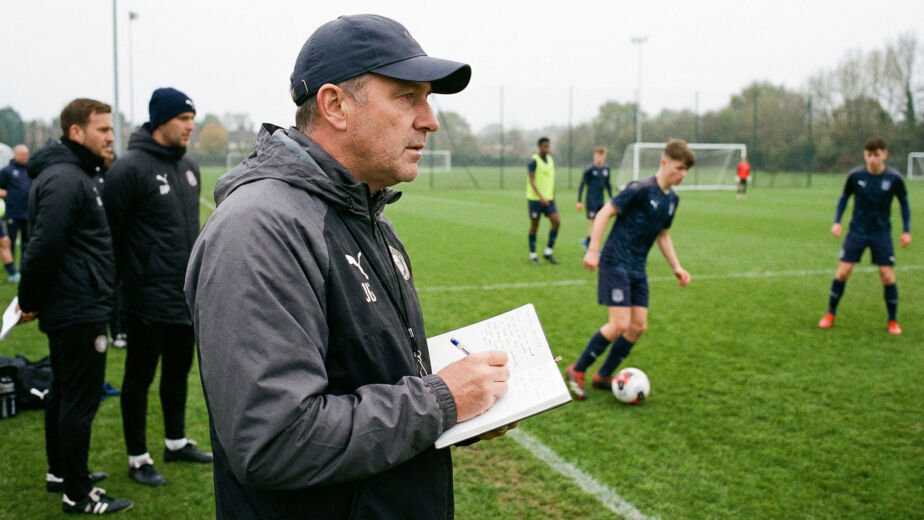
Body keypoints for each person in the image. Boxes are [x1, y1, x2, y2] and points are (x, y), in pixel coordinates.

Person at [184, 14, 511, 519]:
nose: (430, 119)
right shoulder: (259, 229)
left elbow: (375, 374)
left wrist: (461, 407)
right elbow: (274, 441)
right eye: (407, 97)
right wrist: (442, 401)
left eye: (427, 99)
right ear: (335, 105)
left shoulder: (367, 214)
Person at [18, 98, 133, 514]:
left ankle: (61, 473)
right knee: (79, 400)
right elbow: (43, 245)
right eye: (103, 129)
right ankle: (78, 493)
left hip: (75, 302)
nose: (110, 137)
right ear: (76, 132)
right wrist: (29, 299)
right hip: (79, 307)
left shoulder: (73, 173)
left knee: (64, 392)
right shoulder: (67, 178)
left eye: (111, 129)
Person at [102, 87, 211, 487]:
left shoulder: (189, 166)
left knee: (178, 372)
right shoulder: (128, 169)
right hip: (144, 298)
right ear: (161, 120)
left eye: (192, 119)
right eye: (183, 119)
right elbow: (111, 239)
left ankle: (176, 442)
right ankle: (138, 457)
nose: (190, 126)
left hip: (183, 295)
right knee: (139, 378)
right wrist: (117, 302)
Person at [565, 139, 694, 400]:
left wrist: (677, 267)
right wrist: (593, 250)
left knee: (638, 326)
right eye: (679, 168)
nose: (682, 174)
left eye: (686, 170)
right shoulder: (640, 188)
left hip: (637, 267)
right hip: (615, 261)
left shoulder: (672, 200)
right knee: (619, 324)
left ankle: (603, 376)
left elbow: (663, 235)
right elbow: (604, 213)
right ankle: (576, 370)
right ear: (664, 163)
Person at [818, 136, 911, 335]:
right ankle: (830, 314)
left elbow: (904, 204)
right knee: (843, 272)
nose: (872, 159)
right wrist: (837, 222)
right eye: (869, 155)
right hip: (857, 232)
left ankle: (892, 321)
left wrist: (906, 231)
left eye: (876, 155)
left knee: (887, 276)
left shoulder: (894, 178)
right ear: (864, 154)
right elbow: (844, 198)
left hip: (881, 233)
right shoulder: (855, 176)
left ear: (885, 155)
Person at [527, 137, 560, 264]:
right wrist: (541, 197)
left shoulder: (550, 160)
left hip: (549, 200)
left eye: (548, 146)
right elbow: (532, 182)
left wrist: (552, 196)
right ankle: (533, 255)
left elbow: (551, 180)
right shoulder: (533, 160)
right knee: (535, 226)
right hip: (535, 200)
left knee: (556, 222)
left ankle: (548, 252)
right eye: (545, 146)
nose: (547, 148)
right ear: (539, 147)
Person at [0, 144, 30, 281]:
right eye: (22, 154)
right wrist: (7, 194)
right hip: (13, 212)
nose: (25, 157)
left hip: (28, 212)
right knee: (8, 240)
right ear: (15, 154)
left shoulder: (29, 170)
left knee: (27, 241)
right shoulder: (7, 171)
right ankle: (11, 268)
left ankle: (24, 265)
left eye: (26, 154)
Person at [576, 146, 613, 251]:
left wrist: (612, 198)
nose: (599, 158)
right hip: (591, 199)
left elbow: (607, 184)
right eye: (598, 155)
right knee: (595, 223)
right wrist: (579, 201)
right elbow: (582, 185)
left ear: (605, 157)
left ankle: (588, 241)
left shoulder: (606, 169)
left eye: (602, 156)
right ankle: (593, 248)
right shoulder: (589, 170)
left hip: (601, 199)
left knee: (601, 223)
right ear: (594, 156)